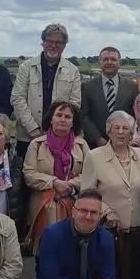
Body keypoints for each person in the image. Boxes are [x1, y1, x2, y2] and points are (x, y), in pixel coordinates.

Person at [80, 110, 140, 279]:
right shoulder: (94, 156)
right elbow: (86, 193)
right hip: (109, 229)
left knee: (133, 277)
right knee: (111, 276)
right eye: (116, 128)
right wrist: (107, 212)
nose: (120, 132)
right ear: (108, 131)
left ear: (131, 133)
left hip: (136, 227)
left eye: (125, 128)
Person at [23, 100, 91, 251]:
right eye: (58, 115)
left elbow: (90, 174)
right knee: (44, 250)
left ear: (73, 122)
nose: (62, 119)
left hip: (73, 204)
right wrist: (54, 182)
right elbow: (29, 174)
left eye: (67, 117)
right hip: (43, 205)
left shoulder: (82, 145)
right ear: (51, 119)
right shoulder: (37, 144)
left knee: (71, 250)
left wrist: (70, 185)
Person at [11, 23, 82, 159]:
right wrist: (34, 131)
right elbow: (18, 99)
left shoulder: (73, 71)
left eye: (58, 42)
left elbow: (75, 103)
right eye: (49, 41)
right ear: (43, 43)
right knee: (27, 177)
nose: (53, 45)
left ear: (64, 45)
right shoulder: (26, 67)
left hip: (61, 138)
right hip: (27, 137)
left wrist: (56, 131)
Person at [80, 46, 140, 148]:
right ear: (99, 63)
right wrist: (98, 139)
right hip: (95, 146)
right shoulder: (87, 87)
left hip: (124, 144)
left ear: (119, 63)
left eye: (113, 59)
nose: (109, 62)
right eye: (105, 59)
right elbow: (84, 116)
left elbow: (135, 115)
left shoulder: (132, 87)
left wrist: (127, 137)